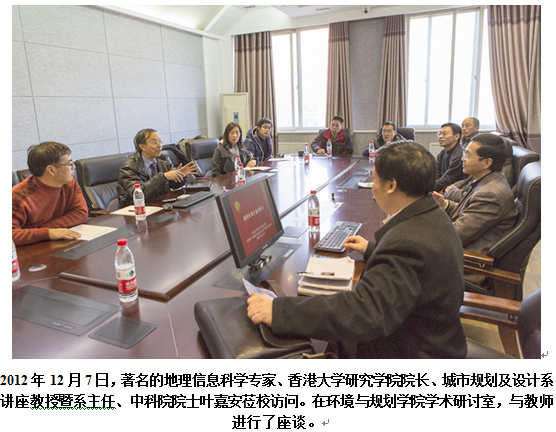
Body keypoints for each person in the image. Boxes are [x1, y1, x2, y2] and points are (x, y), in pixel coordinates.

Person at [247, 141, 467, 359]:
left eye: (375, 179)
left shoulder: (406, 243)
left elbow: (365, 314)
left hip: (411, 352)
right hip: (425, 335)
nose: (373, 185)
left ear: (391, 186)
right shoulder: (432, 214)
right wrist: (372, 249)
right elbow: (414, 266)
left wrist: (279, 311)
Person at [433, 133, 517, 257]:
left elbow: (455, 234)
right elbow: (471, 212)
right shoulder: (490, 179)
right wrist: (445, 204)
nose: (463, 159)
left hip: (465, 258)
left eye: (468, 155)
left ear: (486, 163)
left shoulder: (490, 194)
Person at [12, 141, 88, 246]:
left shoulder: (69, 182)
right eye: (69, 164)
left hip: (57, 242)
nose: (73, 167)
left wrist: (48, 229)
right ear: (51, 170)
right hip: (30, 249)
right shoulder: (17, 196)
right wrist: (47, 233)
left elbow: (81, 213)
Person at [117, 128, 198, 208]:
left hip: (160, 205)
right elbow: (140, 194)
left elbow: (173, 185)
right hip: (136, 210)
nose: (160, 146)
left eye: (160, 142)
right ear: (142, 146)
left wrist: (181, 176)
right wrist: (163, 177)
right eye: (155, 142)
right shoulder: (129, 167)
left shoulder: (163, 159)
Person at [434, 122, 467, 192]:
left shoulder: (459, 156)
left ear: (456, 137)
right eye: (439, 134)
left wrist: (426, 188)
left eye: (444, 134)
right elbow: (436, 174)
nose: (440, 136)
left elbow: (447, 180)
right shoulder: (442, 153)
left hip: (456, 190)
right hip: (444, 188)